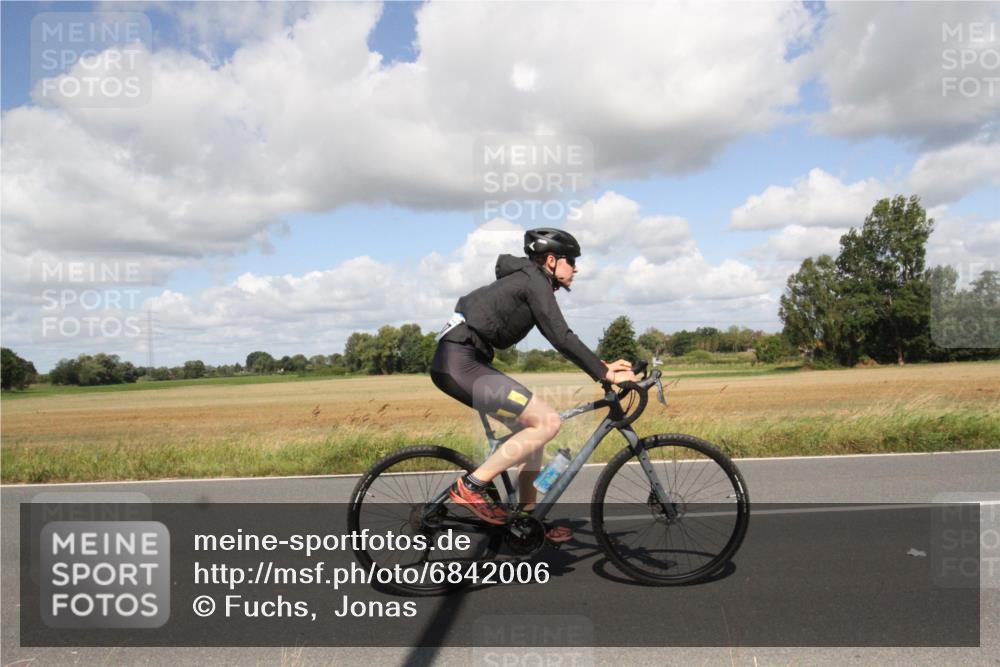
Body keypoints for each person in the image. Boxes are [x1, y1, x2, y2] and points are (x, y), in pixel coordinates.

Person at [430, 227, 637, 543]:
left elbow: (560, 337)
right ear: (552, 260)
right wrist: (604, 374)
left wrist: (602, 366)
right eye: (571, 260)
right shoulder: (534, 281)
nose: (576, 268)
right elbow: (561, 336)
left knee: (536, 432)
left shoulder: (530, 280)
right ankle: (470, 487)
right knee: (548, 421)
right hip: (461, 362)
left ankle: (528, 520)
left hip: (464, 360)